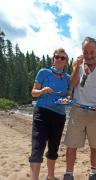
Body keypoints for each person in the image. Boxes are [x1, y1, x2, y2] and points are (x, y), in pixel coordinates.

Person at [63, 37, 96, 180]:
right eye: (85, 52)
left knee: (95, 145)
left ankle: (93, 173)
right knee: (71, 144)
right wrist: (76, 67)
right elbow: (72, 84)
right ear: (82, 51)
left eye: (92, 52)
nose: (88, 55)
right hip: (77, 110)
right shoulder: (78, 64)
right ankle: (69, 173)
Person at [29, 48, 71, 180]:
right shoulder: (43, 72)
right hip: (41, 112)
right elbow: (33, 92)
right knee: (38, 147)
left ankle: (51, 177)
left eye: (62, 58)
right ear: (53, 59)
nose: (59, 59)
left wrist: (67, 100)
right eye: (56, 57)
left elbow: (69, 97)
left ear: (66, 62)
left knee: (53, 148)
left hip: (59, 116)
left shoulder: (68, 78)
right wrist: (42, 91)